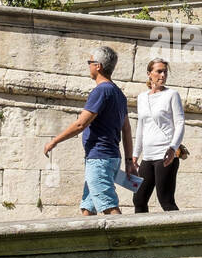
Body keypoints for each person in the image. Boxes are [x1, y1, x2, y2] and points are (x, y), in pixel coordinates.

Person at [43, 46, 136, 215]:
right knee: (88, 208)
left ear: (98, 66)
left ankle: (126, 240)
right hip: (110, 157)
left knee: (109, 206)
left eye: (90, 62)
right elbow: (127, 129)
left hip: (99, 158)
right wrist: (129, 161)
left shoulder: (101, 91)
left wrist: (54, 141)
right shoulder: (118, 94)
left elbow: (81, 124)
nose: (89, 66)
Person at [132, 58, 185, 213]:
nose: (163, 75)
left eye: (165, 72)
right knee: (139, 199)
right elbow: (140, 127)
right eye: (159, 71)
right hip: (147, 157)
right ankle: (141, 235)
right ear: (149, 74)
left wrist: (172, 148)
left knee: (165, 200)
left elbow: (180, 123)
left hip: (165, 155)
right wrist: (135, 155)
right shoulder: (142, 97)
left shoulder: (172, 95)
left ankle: (180, 234)